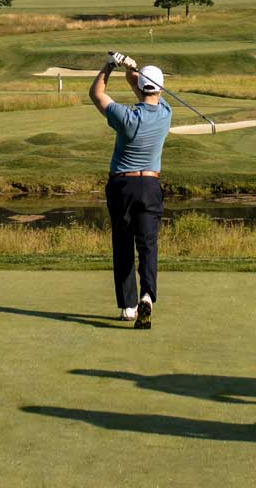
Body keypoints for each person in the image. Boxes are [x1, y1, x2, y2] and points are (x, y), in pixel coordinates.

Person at [88, 51, 171, 330]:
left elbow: (96, 93)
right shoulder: (166, 113)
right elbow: (140, 86)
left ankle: (129, 307)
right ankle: (148, 294)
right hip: (149, 185)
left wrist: (112, 65)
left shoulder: (125, 116)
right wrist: (134, 70)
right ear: (159, 88)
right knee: (147, 245)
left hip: (122, 185)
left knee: (123, 245)